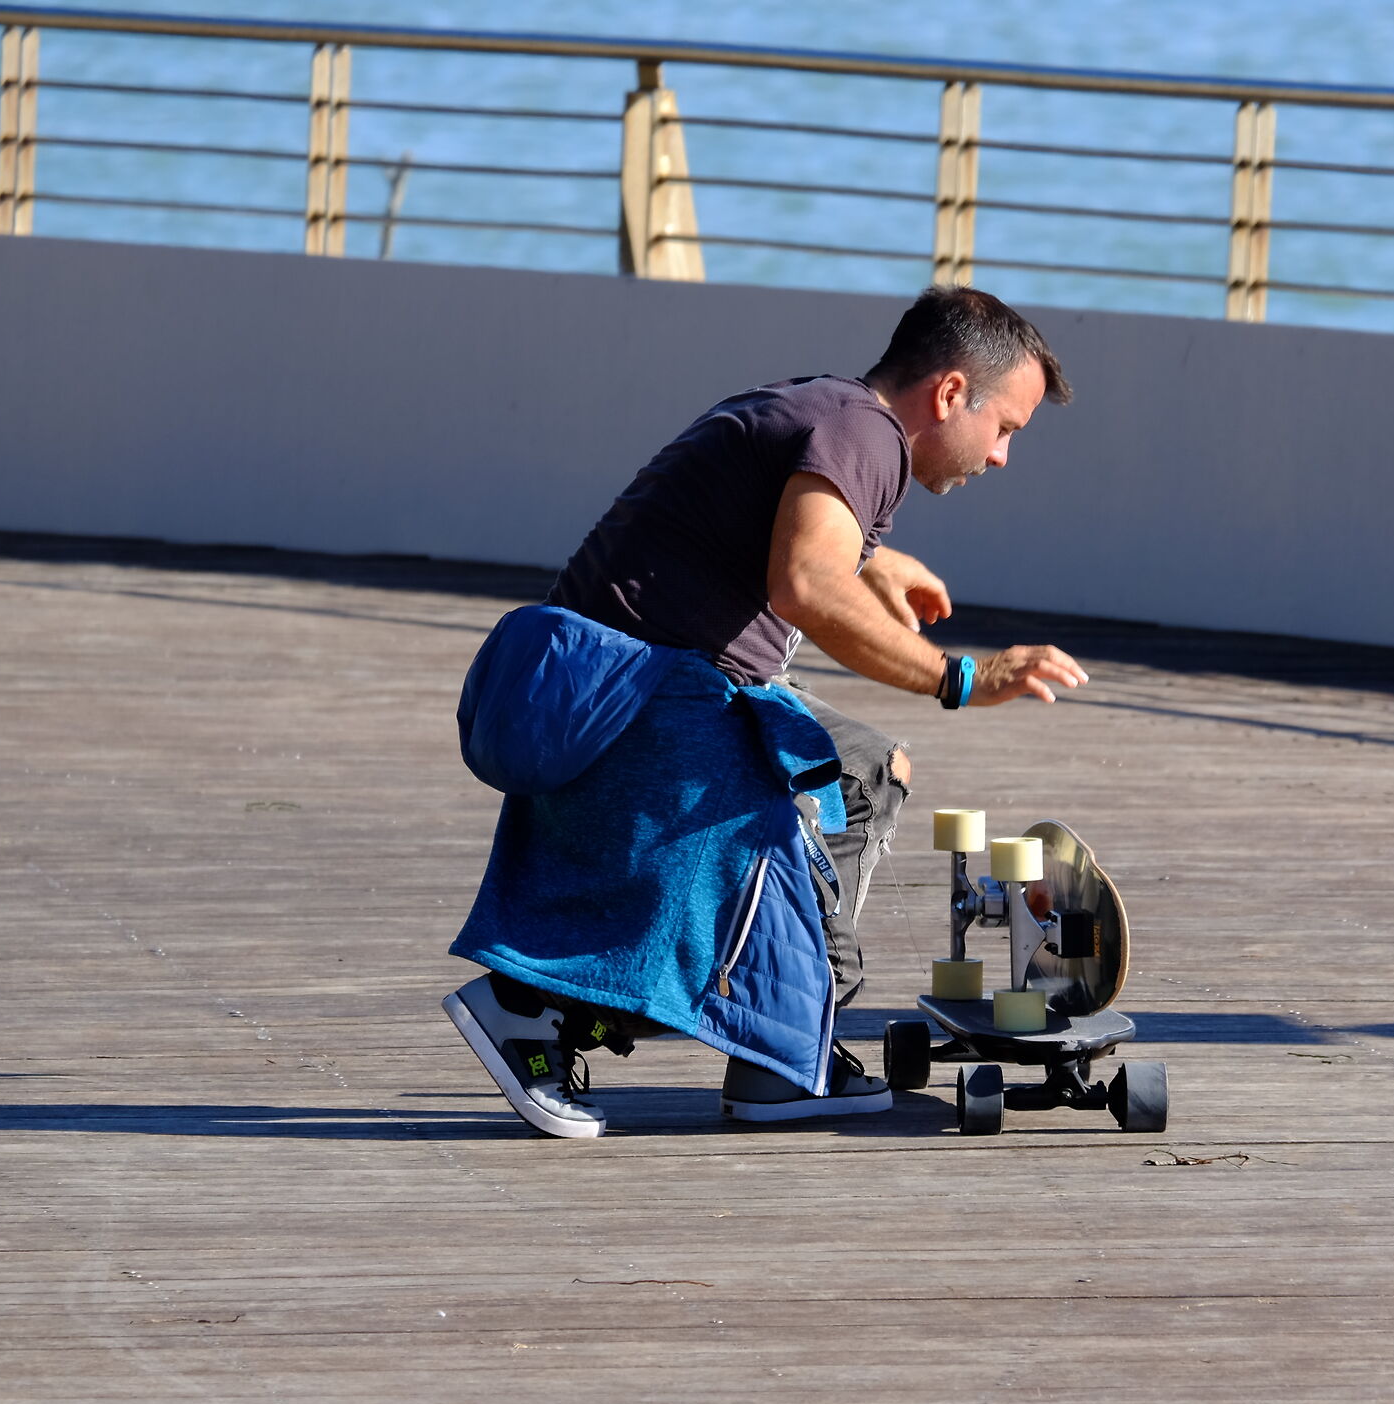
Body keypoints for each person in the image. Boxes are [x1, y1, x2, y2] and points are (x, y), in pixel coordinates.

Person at [443, 285, 1083, 1137]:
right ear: (951, 393)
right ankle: (542, 1008)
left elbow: (787, 534)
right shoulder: (866, 434)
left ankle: (782, 1057)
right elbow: (806, 581)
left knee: (865, 767)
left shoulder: (829, 410)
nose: (1002, 456)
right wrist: (960, 677)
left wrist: (876, 563)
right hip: (649, 707)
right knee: (840, 786)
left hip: (601, 690)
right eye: (1007, 428)